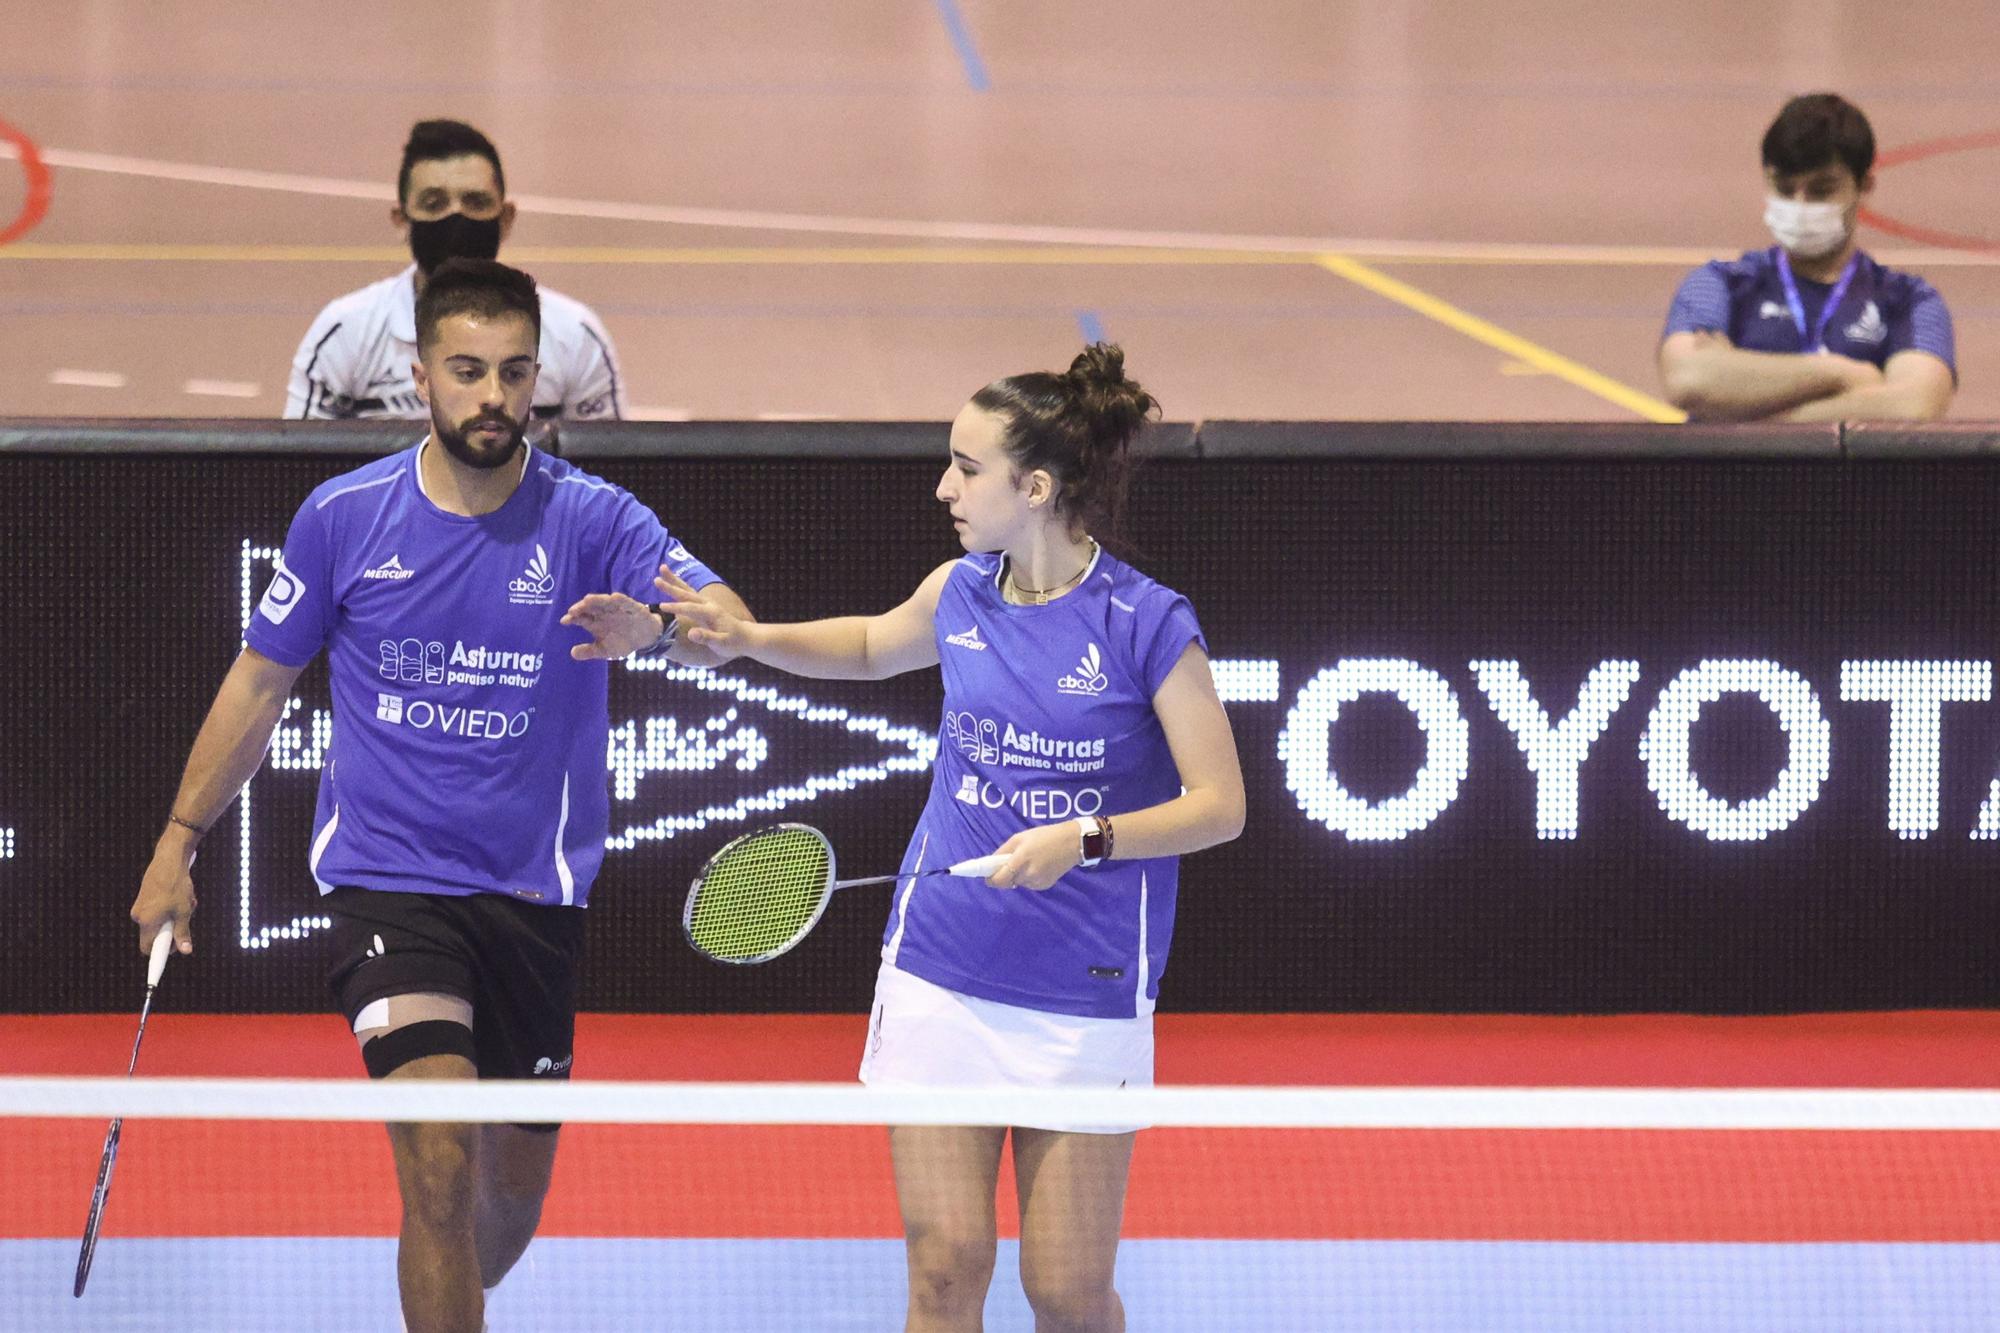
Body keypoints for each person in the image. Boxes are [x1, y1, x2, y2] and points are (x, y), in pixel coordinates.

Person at [132, 259, 749, 1333]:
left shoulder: (594, 520)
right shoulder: (343, 517)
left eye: (514, 372)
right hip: (390, 886)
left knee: (501, 1201)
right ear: (420, 374)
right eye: (466, 371)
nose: (492, 397)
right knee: (437, 1161)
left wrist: (656, 631)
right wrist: (179, 840)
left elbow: (727, 626)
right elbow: (259, 682)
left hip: (532, 896)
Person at [648, 343, 1246, 1332]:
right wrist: (752, 639)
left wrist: (1086, 837)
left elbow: (1218, 805)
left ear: (1038, 485)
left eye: (966, 468)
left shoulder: (1146, 625)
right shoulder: (963, 590)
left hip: (1083, 991)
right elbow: (875, 644)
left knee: (1063, 1287)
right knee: (943, 1266)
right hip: (939, 967)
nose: (944, 487)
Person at [286, 119, 625, 426]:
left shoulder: (575, 337)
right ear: (402, 220)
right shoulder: (346, 333)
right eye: (434, 204)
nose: (456, 217)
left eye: (475, 202)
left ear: (505, 218)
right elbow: (301, 470)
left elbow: (607, 473)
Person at [1658, 93, 1956, 422]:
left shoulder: (1911, 300)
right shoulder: (1718, 284)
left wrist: (1750, 415)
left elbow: (1912, 407)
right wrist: (1841, 374)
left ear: (1864, 186)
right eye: (1784, 189)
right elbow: (1688, 379)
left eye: (1821, 190)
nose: (1799, 205)